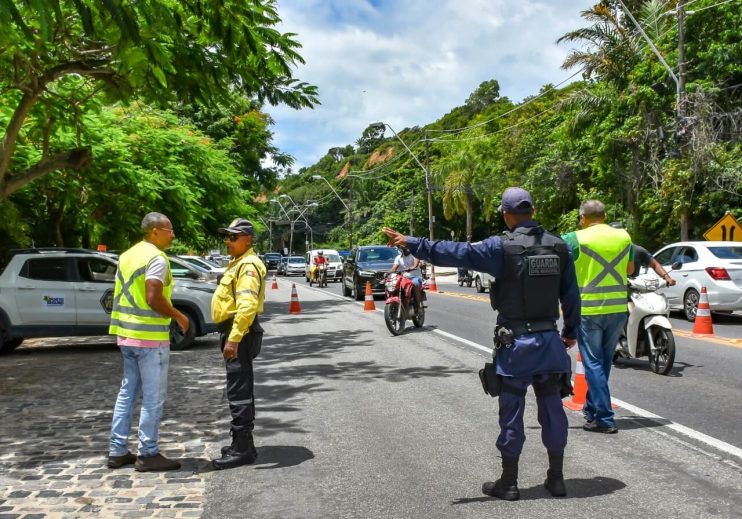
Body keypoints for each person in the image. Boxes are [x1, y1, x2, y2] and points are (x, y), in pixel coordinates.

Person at [383, 187, 580, 501]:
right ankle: (557, 479)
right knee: (553, 410)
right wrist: (569, 333)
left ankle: (510, 483)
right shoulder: (560, 247)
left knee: (512, 413)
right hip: (549, 343)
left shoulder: (500, 247)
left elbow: (457, 252)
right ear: (533, 211)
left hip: (516, 346)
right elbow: (571, 297)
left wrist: (412, 242)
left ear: (506, 213)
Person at [108, 212, 190, 472]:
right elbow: (153, 296)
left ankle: (117, 450)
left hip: (126, 335)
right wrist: (179, 316)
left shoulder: (127, 255)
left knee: (127, 393)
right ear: (155, 231)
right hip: (149, 338)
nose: (173, 234)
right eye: (169, 229)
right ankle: (148, 453)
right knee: (153, 397)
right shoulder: (156, 258)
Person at [562, 201, 634, 434]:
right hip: (617, 309)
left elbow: (562, 269)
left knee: (592, 363)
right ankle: (592, 410)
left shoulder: (574, 239)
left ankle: (604, 417)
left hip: (590, 309)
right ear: (604, 215)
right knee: (602, 363)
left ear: (583, 217)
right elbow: (630, 269)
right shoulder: (624, 236)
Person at [211, 218, 267, 470]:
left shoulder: (248, 266)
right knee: (240, 386)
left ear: (248, 239)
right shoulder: (239, 263)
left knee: (238, 389)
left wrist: (233, 339)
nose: (228, 241)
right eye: (227, 236)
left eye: (233, 237)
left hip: (240, 333)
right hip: (237, 331)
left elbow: (246, 306)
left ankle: (242, 447)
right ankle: (244, 443)